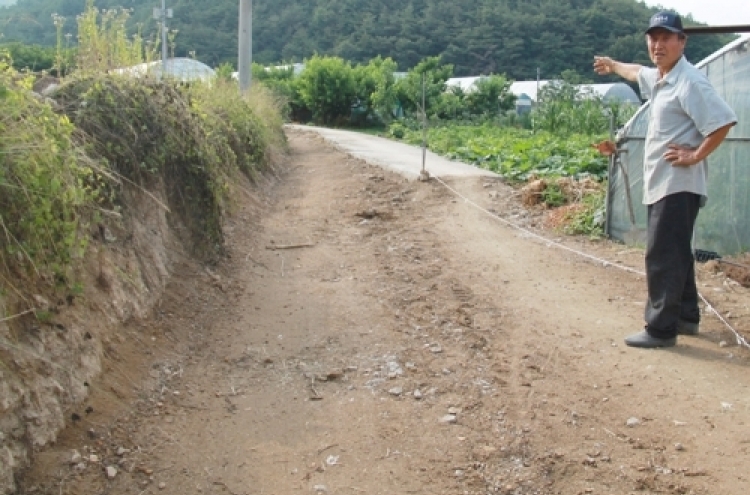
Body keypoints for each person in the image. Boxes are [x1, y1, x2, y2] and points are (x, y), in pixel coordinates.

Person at [593, 11, 737, 348]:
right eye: (653, 38)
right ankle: (686, 316)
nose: (658, 45)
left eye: (666, 38)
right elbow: (636, 72)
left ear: (681, 42)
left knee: (662, 254)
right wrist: (613, 65)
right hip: (665, 183)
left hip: (678, 184)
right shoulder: (663, 77)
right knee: (677, 252)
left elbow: (722, 122)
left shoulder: (689, 81)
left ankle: (660, 329)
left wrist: (694, 155)